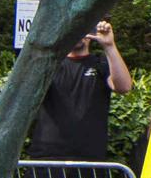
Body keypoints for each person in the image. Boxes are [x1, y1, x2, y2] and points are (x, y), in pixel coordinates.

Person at [30, 18, 132, 163]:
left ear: (90, 34)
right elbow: (24, 96)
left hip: (90, 158)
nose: (77, 34)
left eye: (82, 29)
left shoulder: (100, 63)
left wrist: (109, 46)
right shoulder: (49, 65)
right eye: (72, 30)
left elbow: (124, 87)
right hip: (47, 156)